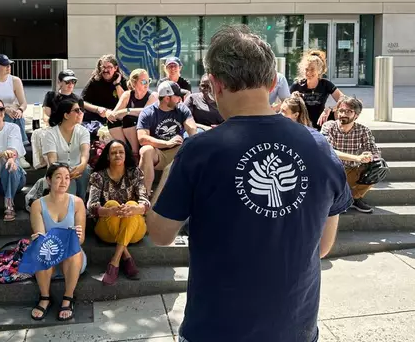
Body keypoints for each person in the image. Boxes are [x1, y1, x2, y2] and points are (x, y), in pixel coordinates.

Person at [147, 25, 352, 342]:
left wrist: (172, 162)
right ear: (272, 83)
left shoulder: (199, 152)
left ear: (215, 85)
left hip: (216, 329)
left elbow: (160, 234)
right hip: (294, 328)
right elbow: (323, 247)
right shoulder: (320, 147)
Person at [29, 163, 86, 322]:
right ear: (48, 180)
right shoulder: (37, 205)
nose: (63, 181)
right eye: (58, 177)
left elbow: (80, 239)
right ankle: (45, 297)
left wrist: (72, 236)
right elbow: (40, 235)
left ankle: (68, 298)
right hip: (49, 256)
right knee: (41, 249)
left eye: (67, 177)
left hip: (72, 257)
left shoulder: (78, 203)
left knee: (73, 248)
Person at [87, 140, 149, 286]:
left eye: (121, 152)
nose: (118, 155)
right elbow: (91, 206)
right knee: (112, 203)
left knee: (132, 204)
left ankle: (115, 261)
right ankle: (126, 255)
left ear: (126, 155)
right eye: (113, 152)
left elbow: (145, 201)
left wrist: (135, 209)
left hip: (135, 230)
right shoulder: (98, 176)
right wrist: (109, 211)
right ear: (108, 156)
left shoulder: (135, 173)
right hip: (106, 230)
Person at [321, 96, 381, 213]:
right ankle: (337, 200)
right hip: (332, 171)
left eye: (348, 111)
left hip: (352, 170)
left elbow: (375, 152)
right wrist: (357, 157)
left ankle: (354, 198)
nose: (343, 114)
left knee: (378, 167)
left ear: (356, 115)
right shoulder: (329, 126)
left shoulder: (363, 130)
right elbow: (328, 150)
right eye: (341, 110)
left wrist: (369, 156)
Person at [137, 81, 197, 194]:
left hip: (177, 151)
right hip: (158, 152)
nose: (180, 98)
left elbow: (191, 128)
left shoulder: (182, 109)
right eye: (177, 96)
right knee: (146, 150)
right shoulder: (147, 113)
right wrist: (167, 143)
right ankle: (144, 195)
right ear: (167, 98)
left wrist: (193, 136)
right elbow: (142, 139)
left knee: (193, 146)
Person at [0, 54, 31, 169]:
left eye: (9, 64)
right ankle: (18, 153)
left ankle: (19, 154)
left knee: (16, 116)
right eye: (5, 65)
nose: (8, 67)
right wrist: (5, 109)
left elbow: (23, 103)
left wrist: (19, 110)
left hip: (12, 112)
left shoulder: (15, 80)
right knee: (7, 115)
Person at [43, 99, 90, 201]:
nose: (81, 112)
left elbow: (85, 153)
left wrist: (81, 166)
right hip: (58, 171)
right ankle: (66, 207)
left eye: (81, 110)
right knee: (66, 179)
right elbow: (53, 161)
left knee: (85, 171)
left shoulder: (83, 131)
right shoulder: (50, 134)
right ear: (66, 115)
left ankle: (81, 204)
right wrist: (66, 173)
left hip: (78, 169)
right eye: (77, 110)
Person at [107, 69, 158, 158]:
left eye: (148, 81)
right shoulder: (127, 95)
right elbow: (115, 114)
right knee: (112, 121)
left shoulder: (153, 96)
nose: (147, 84)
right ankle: (125, 149)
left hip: (145, 130)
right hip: (128, 133)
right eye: (143, 81)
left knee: (128, 118)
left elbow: (146, 112)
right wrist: (110, 114)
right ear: (134, 83)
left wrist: (127, 111)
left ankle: (134, 153)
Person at [290, 50, 344, 130]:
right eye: (306, 69)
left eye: (312, 69)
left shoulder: (325, 84)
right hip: (302, 125)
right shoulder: (297, 85)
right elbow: (287, 106)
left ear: (319, 70)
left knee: (341, 112)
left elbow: (343, 99)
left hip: (321, 124)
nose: (308, 72)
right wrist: (293, 99)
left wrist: (329, 109)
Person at [81, 54, 128, 140]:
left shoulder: (122, 81)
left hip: (115, 116)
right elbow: (81, 102)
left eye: (109, 67)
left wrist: (117, 84)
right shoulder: (95, 81)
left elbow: (125, 101)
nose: (105, 70)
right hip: (97, 116)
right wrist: (97, 109)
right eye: (103, 67)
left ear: (115, 68)